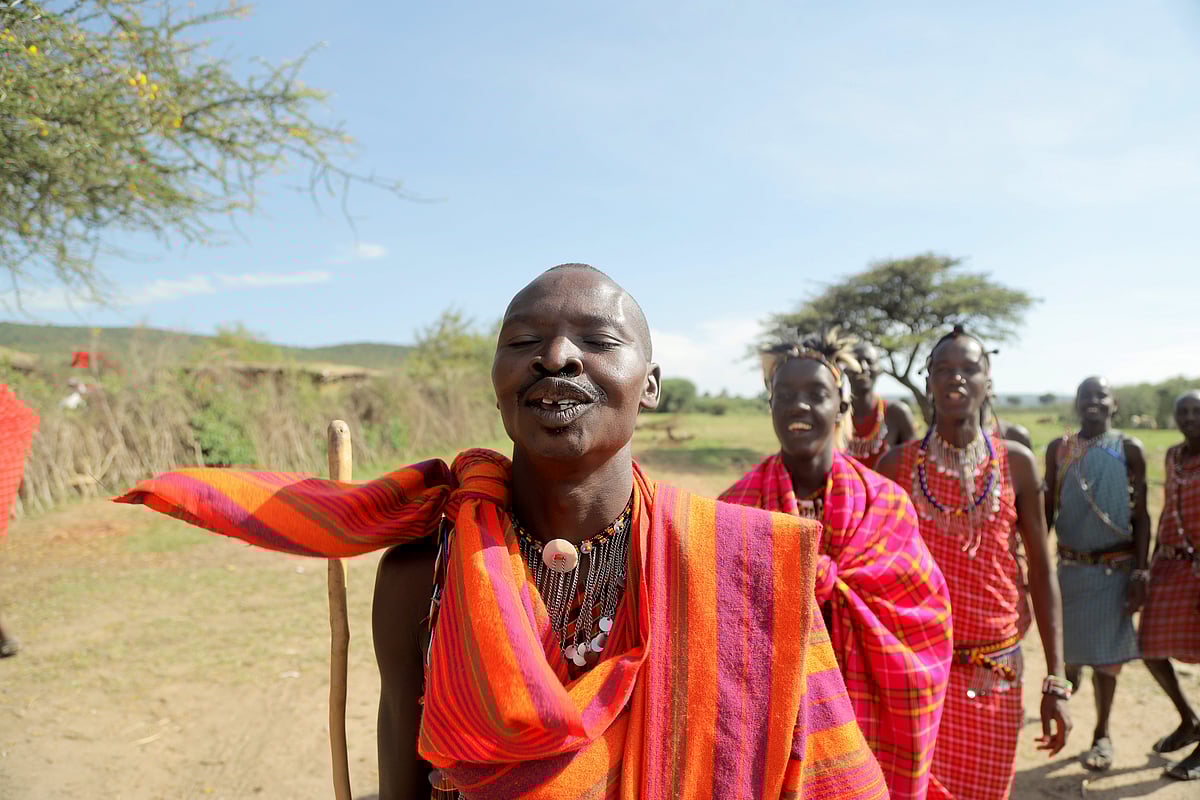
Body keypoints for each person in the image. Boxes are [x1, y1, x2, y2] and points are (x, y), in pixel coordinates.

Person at [117, 264, 888, 800]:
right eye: (523, 342)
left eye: (597, 340)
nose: (556, 357)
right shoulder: (426, 568)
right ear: (496, 384)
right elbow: (405, 760)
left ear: (650, 384)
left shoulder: (747, 569)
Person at [720, 328, 952, 799]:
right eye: (784, 396)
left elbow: (924, 623)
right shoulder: (735, 509)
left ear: (842, 407)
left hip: (869, 715)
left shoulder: (886, 503)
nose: (798, 406)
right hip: (773, 722)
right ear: (770, 407)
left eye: (816, 395)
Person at [876, 324, 1071, 800]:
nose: (955, 379)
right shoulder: (895, 467)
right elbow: (873, 579)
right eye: (942, 369)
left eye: (969, 368)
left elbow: (1043, 576)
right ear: (927, 383)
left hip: (995, 675)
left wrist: (1057, 679)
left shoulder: (1017, 464)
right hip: (914, 675)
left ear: (989, 381)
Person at [1044, 376, 1149, 772]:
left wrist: (1141, 571)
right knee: (1068, 655)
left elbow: (1141, 516)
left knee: (1107, 662)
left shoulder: (1129, 449)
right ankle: (1065, 702)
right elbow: (1047, 510)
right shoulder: (1059, 449)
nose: (1093, 401)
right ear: (1076, 403)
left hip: (1114, 573)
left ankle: (1101, 734)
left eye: (1100, 395)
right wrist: (1034, 560)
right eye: (1085, 395)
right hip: (1069, 571)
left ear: (1113, 403)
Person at [1139, 389, 1200, 782]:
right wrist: (1149, 566)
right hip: (1170, 565)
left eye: (1196, 411)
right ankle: (1190, 720)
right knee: (1149, 647)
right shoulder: (1174, 456)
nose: (1190, 418)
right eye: (1183, 412)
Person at [846, 341, 916, 470]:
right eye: (856, 361)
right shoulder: (836, 416)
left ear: (879, 369)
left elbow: (912, 466)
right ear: (845, 368)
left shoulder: (897, 414)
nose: (863, 367)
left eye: (869, 361)